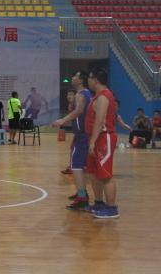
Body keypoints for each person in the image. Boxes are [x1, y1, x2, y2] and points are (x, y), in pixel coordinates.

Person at [52, 71, 92, 211]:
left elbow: (79, 111)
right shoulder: (84, 94)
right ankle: (82, 192)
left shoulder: (81, 94)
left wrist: (62, 120)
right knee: (79, 166)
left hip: (83, 135)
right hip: (82, 135)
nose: (72, 77)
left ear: (80, 80)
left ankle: (82, 198)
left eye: (75, 76)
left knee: (76, 166)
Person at [84, 67, 119, 219]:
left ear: (96, 80)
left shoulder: (104, 96)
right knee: (93, 173)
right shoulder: (97, 96)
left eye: (89, 78)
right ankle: (99, 203)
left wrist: (92, 142)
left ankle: (112, 209)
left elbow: (100, 121)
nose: (88, 81)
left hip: (104, 138)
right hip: (96, 138)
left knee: (105, 175)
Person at [61, 90, 77, 175]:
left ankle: (73, 167)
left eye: (71, 94)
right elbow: (71, 118)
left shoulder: (79, 104)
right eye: (68, 94)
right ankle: (72, 167)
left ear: (76, 96)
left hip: (85, 132)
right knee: (72, 148)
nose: (68, 96)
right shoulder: (70, 106)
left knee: (74, 149)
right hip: (77, 132)